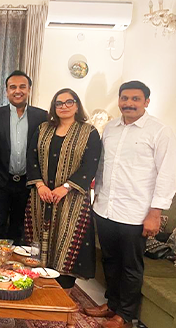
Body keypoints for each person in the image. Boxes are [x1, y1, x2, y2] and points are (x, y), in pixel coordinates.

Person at [84, 81, 176, 328]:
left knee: (131, 266)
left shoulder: (159, 131)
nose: (129, 103)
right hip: (106, 208)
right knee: (110, 260)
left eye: (135, 99)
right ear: (119, 100)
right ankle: (111, 304)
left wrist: (155, 212)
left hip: (136, 213)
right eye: (125, 98)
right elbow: (103, 167)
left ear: (146, 101)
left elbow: (167, 174)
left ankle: (125, 315)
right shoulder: (111, 128)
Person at [24, 88, 101, 290]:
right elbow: (31, 158)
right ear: (53, 107)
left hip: (72, 198)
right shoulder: (43, 128)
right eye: (59, 103)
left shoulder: (89, 132)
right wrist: (40, 185)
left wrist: (65, 188)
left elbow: (90, 164)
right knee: (38, 236)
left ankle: (62, 287)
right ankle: (36, 279)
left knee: (67, 238)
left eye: (69, 102)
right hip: (41, 195)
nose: (64, 106)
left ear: (77, 105)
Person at [0, 70, 47, 243]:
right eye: (12, 87)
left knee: (20, 227)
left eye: (22, 87)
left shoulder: (41, 116)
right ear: (6, 91)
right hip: (1, 180)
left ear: (29, 90)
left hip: (28, 182)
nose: (17, 91)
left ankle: (14, 266)